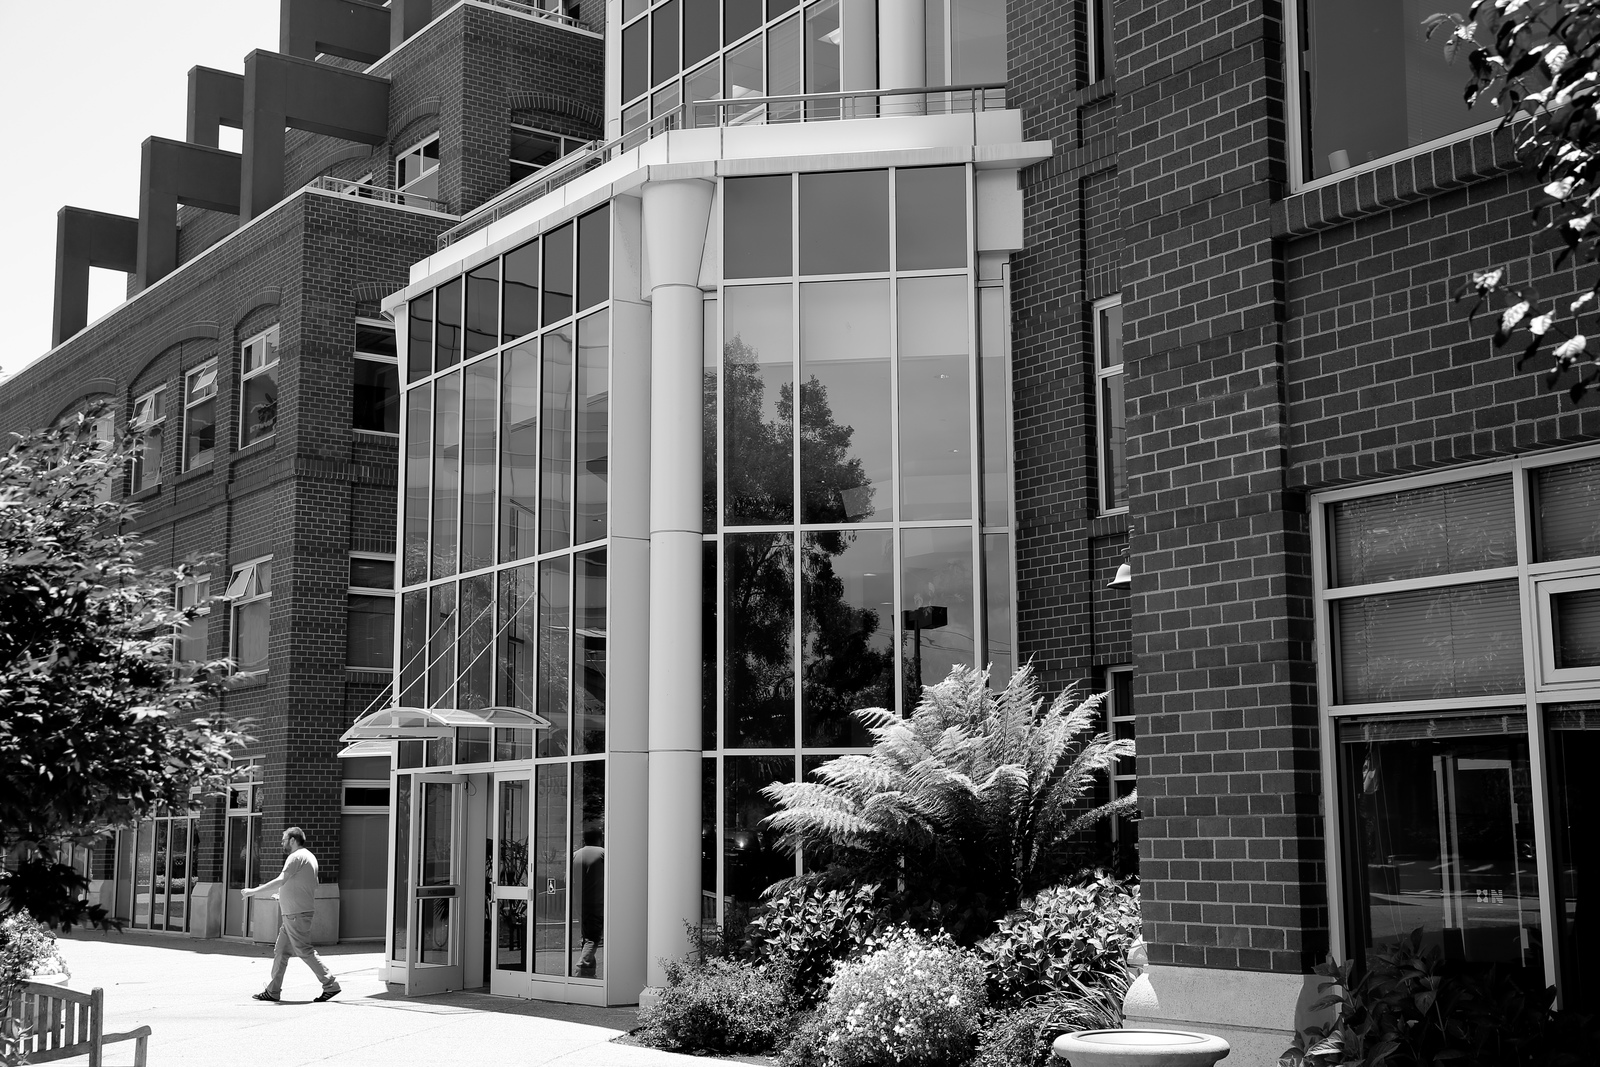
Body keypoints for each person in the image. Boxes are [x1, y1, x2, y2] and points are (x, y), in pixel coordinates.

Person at [244, 826, 341, 1003]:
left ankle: (330, 984)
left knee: (304, 951)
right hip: (294, 914)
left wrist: (253, 891)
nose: (282, 843)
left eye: (284, 839)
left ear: (293, 840)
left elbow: (281, 879)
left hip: (296, 914)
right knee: (281, 951)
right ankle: (272, 991)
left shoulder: (295, 857)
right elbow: (312, 884)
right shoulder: (309, 857)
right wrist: (283, 896)